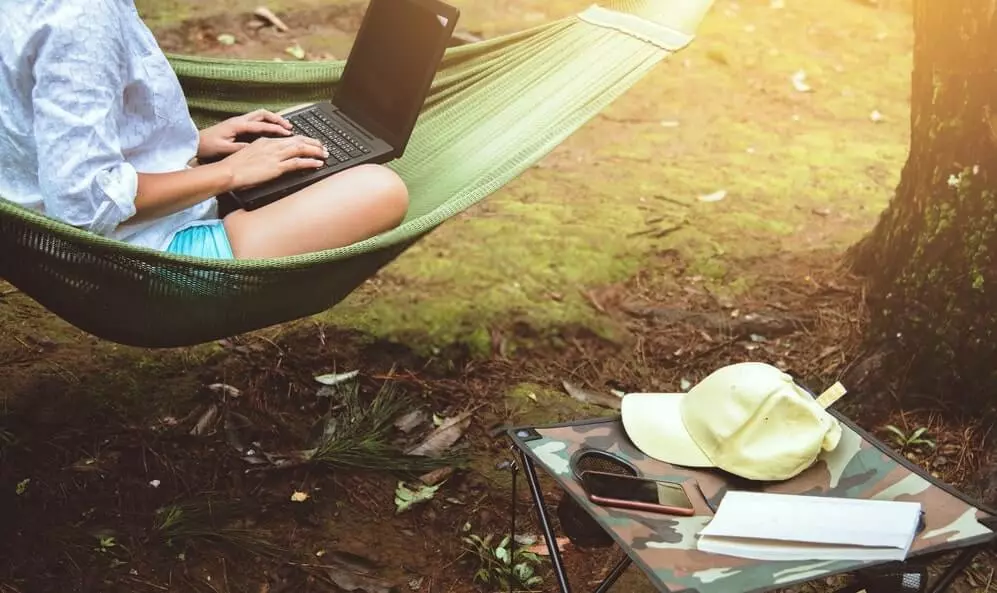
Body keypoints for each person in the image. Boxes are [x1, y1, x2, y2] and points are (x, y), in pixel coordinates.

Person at [0, 0, 409, 260]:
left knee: (298, 124)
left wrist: (191, 142)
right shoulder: (81, 17)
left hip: (41, 216)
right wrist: (229, 172)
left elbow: (36, 128)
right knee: (380, 188)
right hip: (147, 256)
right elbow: (84, 205)